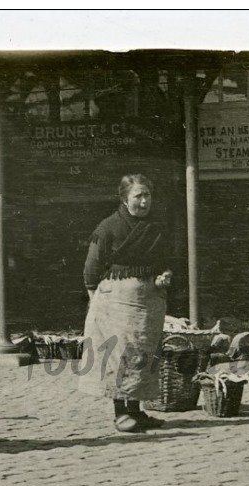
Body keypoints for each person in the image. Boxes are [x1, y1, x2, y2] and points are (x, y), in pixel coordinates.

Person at [78, 174, 173, 433]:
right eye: (138, 196)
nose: (144, 201)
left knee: (143, 355)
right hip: (116, 303)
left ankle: (137, 412)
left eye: (147, 195)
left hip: (148, 302)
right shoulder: (108, 227)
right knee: (121, 356)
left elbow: (165, 260)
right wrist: (96, 303)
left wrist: (165, 274)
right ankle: (121, 414)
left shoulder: (156, 227)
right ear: (124, 198)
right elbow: (92, 268)